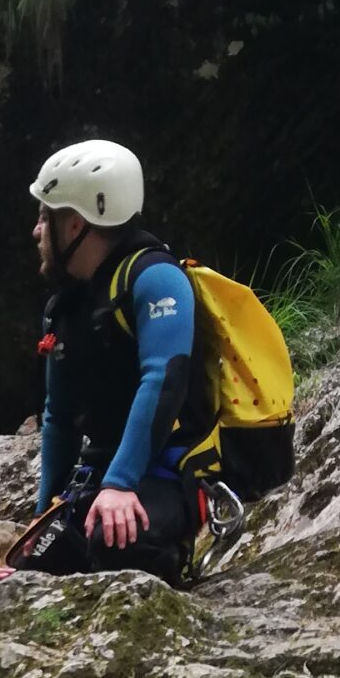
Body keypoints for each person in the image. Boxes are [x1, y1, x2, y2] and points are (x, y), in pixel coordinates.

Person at [25, 138, 203, 584]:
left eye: (45, 217)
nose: (36, 231)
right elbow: (58, 417)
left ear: (74, 225)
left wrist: (121, 484)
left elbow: (164, 377)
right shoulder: (64, 307)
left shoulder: (157, 278)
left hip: (168, 475)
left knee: (116, 540)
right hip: (100, 476)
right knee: (34, 567)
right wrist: (45, 513)